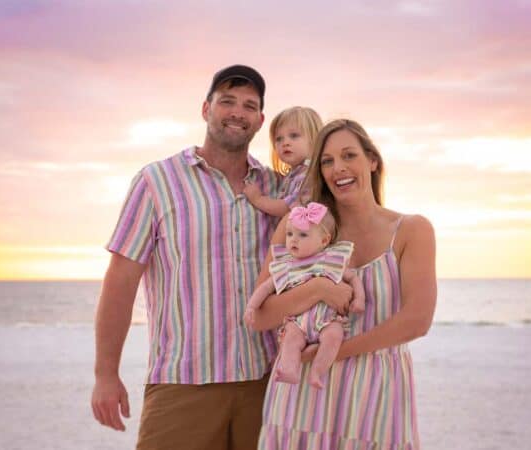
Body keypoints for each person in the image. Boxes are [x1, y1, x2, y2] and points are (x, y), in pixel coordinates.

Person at [91, 64, 286, 450]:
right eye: (227, 101)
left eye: (249, 106)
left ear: (260, 120)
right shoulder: (156, 182)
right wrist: (105, 375)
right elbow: (121, 281)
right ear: (205, 109)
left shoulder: (275, 189)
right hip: (183, 384)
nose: (237, 113)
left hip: (266, 384)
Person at [248, 119, 437, 449]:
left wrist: (333, 352)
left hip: (376, 399)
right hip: (300, 398)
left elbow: (417, 322)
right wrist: (319, 289)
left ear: (372, 161)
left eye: (349, 156)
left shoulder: (411, 230)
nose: (338, 169)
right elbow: (261, 316)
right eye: (327, 161)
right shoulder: (295, 227)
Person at [243, 201, 365, 389]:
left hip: (327, 319)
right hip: (297, 322)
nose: (293, 240)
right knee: (290, 339)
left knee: (334, 336)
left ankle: (317, 371)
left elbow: (353, 278)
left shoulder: (330, 260)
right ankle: (289, 370)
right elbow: (266, 288)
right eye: (290, 234)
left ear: (324, 241)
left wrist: (359, 299)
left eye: (303, 235)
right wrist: (251, 306)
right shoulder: (287, 265)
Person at [243, 106, 323, 216]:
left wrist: (258, 199)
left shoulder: (308, 176)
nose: (285, 143)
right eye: (279, 139)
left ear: (315, 139)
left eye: (294, 136)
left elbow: (287, 208)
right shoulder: (293, 175)